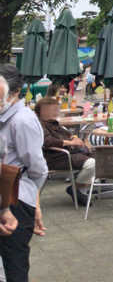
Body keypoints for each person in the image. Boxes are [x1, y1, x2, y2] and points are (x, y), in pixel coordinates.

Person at [0, 64, 48, 281]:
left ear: (15, 92)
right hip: (9, 197)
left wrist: (32, 202)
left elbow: (36, 168)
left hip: (16, 201)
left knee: (14, 263)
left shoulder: (22, 120)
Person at [35, 98, 95, 206]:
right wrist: (70, 143)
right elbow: (47, 141)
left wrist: (74, 137)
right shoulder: (39, 124)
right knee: (92, 164)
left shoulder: (52, 122)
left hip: (67, 154)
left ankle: (82, 191)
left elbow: (66, 132)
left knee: (98, 157)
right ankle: (76, 189)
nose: (55, 112)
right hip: (54, 157)